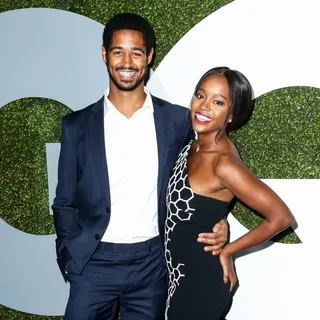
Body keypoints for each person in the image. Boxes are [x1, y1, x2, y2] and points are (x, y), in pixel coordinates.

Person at [52, 13, 229, 320]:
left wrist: (220, 221)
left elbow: (212, 169)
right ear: (104, 54)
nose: (127, 62)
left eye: (136, 52)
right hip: (94, 264)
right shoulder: (76, 126)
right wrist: (70, 258)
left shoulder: (177, 121)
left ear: (148, 56)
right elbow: (64, 201)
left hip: (153, 263)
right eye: (118, 51)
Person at [165, 66, 295, 319]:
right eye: (200, 95)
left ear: (231, 114)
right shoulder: (193, 144)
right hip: (177, 279)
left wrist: (228, 250)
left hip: (200, 285)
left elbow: (281, 217)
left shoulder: (224, 163)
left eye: (218, 102)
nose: (204, 107)